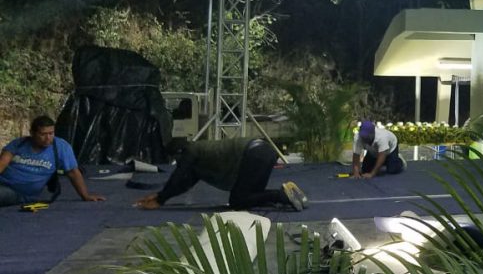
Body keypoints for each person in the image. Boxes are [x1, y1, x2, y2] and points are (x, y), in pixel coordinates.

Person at [135, 137, 307, 211]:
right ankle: (289, 194)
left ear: (179, 153)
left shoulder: (191, 151)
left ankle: (281, 195)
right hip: (264, 152)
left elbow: (178, 176)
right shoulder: (199, 158)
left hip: (254, 154)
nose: (178, 163)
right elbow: (183, 184)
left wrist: (160, 200)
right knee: (251, 196)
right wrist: (161, 196)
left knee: (238, 201)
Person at [0, 115, 106, 207]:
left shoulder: (61, 147)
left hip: (19, 192)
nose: (48, 138)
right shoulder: (19, 143)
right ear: (32, 133)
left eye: (51, 133)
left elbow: (73, 173)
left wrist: (85, 195)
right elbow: (2, 163)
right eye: (43, 134)